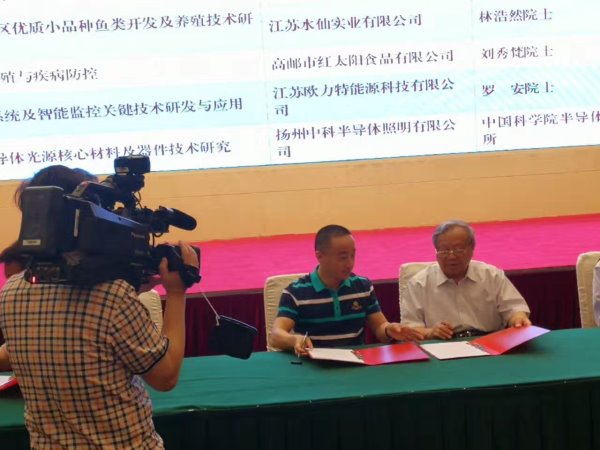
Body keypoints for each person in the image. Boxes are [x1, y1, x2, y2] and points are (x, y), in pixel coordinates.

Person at [0, 165, 199, 449]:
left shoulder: (12, 291)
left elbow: (63, 336)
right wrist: (177, 292)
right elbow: (165, 376)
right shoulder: (112, 296)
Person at [270, 224, 423, 355]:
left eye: (352, 255)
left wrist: (389, 329)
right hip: (315, 365)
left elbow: (379, 327)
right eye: (343, 257)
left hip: (355, 363)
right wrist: (294, 339)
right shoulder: (296, 292)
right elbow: (276, 335)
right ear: (319, 256)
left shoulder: (362, 286)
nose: (350, 263)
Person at [400, 220, 531, 340]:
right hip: (443, 345)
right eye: (444, 250)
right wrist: (431, 332)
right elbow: (410, 329)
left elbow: (515, 308)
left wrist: (518, 318)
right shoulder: (418, 284)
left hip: (490, 341)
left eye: (458, 250)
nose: (451, 256)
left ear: (472, 250)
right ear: (436, 252)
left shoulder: (491, 275)